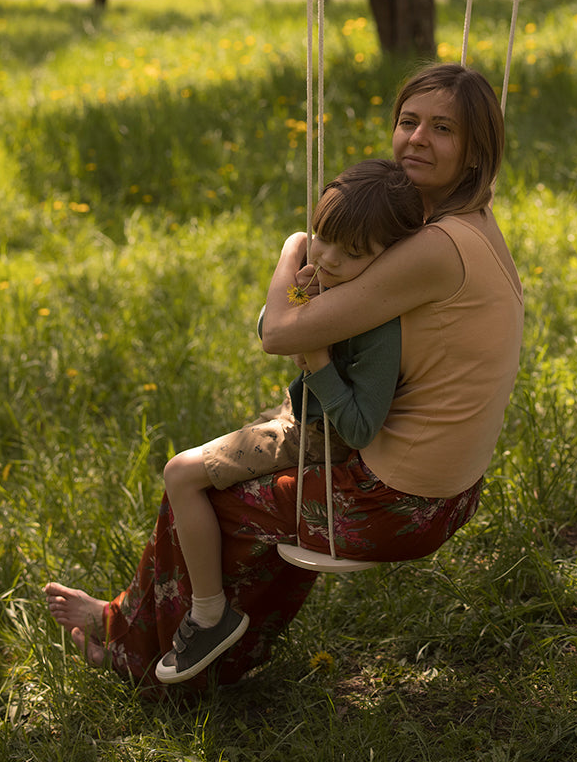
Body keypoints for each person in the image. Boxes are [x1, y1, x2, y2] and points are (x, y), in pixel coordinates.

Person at [44, 63, 524, 693]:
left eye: (443, 129)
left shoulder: (434, 247)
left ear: (474, 152)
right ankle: (190, 648)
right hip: (447, 489)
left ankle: (133, 648)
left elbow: (280, 333)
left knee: (204, 497)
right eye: (409, 122)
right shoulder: (468, 220)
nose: (417, 140)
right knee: (260, 481)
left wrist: (294, 246)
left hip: (397, 503)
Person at [153, 159, 424, 683]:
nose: (327, 257)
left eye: (353, 253)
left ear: (389, 260)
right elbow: (268, 326)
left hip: (319, 439)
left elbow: (360, 430)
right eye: (322, 238)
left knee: (179, 472)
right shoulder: (333, 284)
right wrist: (301, 294)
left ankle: (210, 614)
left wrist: (320, 361)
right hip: (300, 419)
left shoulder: (378, 327)